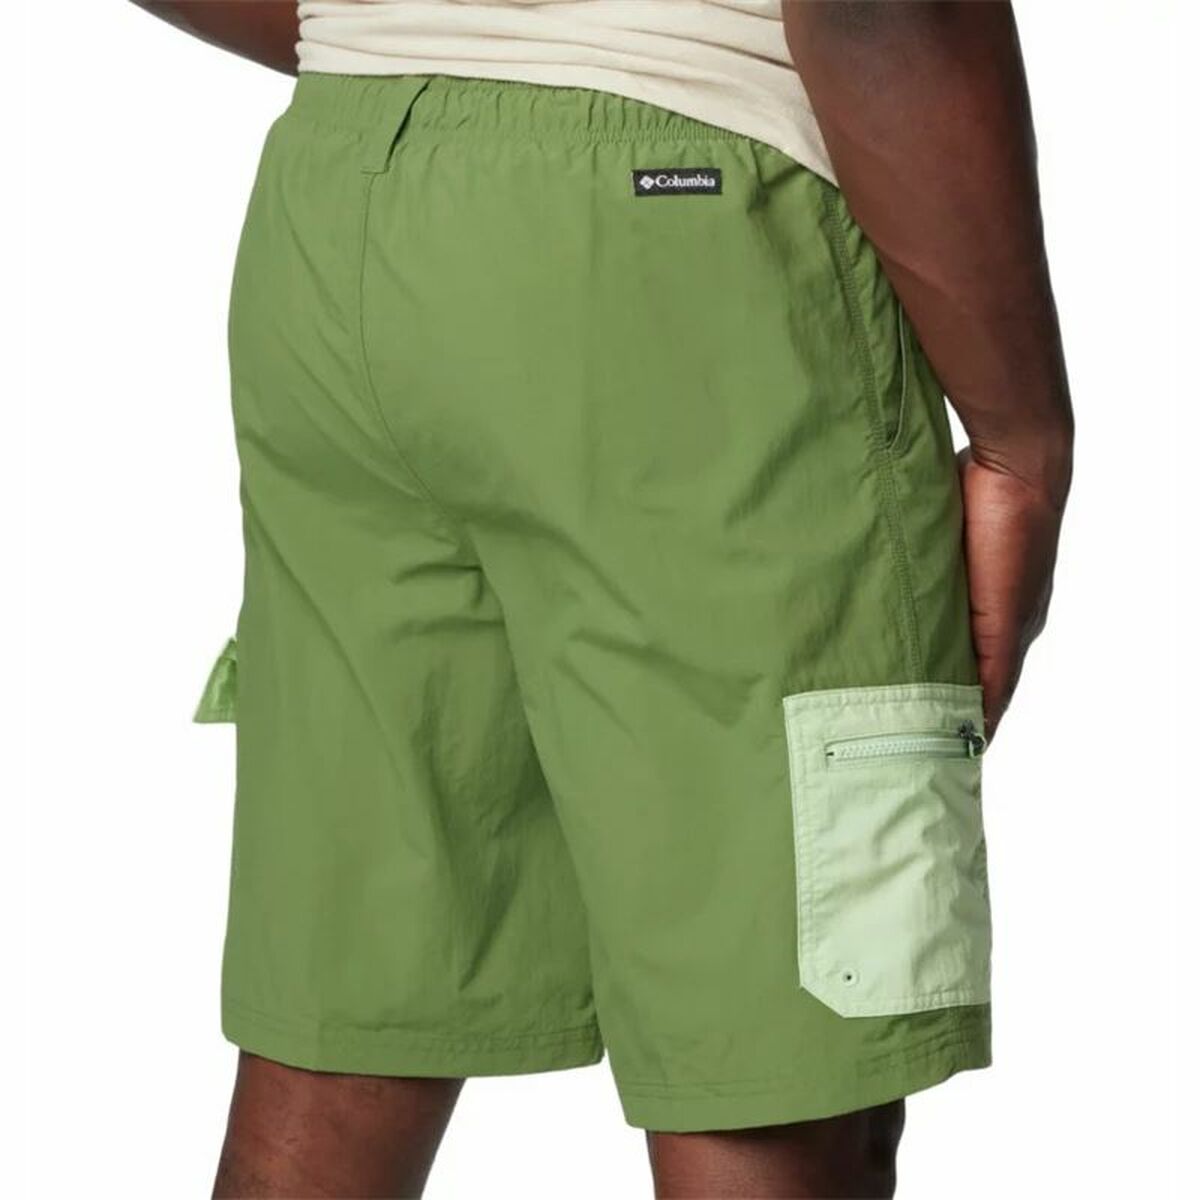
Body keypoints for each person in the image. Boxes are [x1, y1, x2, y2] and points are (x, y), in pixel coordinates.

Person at [131, 2, 1074, 1196]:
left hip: (343, 206)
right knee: (774, 1075)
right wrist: (1021, 434)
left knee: (349, 1008)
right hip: (681, 233)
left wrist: (414, 30)